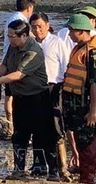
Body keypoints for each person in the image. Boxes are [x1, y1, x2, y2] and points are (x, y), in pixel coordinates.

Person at [0, 19, 59, 181]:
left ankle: (52, 171)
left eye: (12, 36)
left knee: (44, 136)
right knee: (19, 135)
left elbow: (18, 75)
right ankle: (19, 169)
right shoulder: (13, 48)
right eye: (8, 36)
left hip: (38, 99)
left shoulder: (34, 51)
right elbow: (6, 66)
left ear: (24, 36)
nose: (10, 39)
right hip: (20, 99)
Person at [58, 6, 96, 168]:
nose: (69, 34)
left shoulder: (93, 54)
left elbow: (95, 84)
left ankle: (88, 176)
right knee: (79, 140)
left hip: (85, 105)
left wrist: (93, 112)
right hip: (73, 104)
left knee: (88, 142)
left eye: (72, 30)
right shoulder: (78, 49)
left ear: (81, 31)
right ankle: (81, 169)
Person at [29, 12, 71, 181]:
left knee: (54, 129)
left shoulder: (57, 43)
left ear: (47, 25)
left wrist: (64, 89)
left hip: (53, 88)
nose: (37, 30)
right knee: (36, 128)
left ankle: (58, 167)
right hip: (33, 90)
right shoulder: (30, 44)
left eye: (39, 26)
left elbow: (66, 66)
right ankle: (39, 165)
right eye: (33, 27)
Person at [1, 0, 36, 138]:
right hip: (16, 60)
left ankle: (10, 125)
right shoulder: (21, 21)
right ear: (30, 8)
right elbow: (31, 39)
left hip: (7, 59)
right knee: (16, 95)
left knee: (9, 95)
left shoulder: (11, 18)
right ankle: (14, 125)